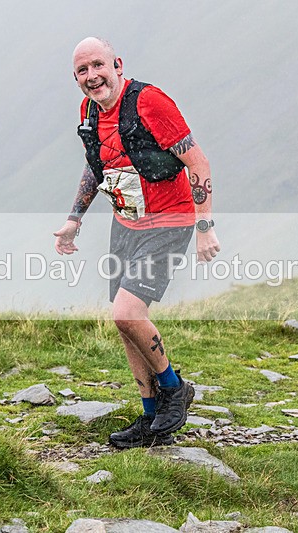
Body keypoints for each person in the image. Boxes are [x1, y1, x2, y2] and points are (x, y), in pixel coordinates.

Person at [53, 37, 220, 448]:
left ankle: (173, 388)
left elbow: (197, 161)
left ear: (117, 65)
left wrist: (205, 226)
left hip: (170, 219)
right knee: (125, 323)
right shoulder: (89, 112)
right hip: (125, 223)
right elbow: (98, 168)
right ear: (75, 79)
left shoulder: (150, 102)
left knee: (127, 313)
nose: (92, 76)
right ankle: (150, 417)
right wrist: (74, 220)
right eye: (82, 71)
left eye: (98, 65)